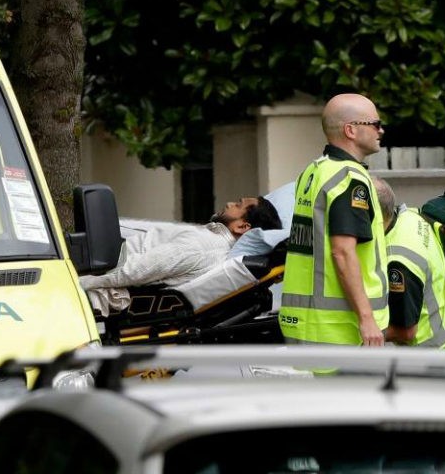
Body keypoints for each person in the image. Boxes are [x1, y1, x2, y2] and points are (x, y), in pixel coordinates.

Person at [279, 93, 389, 347]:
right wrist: (367, 319)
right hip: (340, 329)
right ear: (351, 130)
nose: (380, 131)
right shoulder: (349, 179)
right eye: (375, 124)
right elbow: (342, 253)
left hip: (307, 321)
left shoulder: (314, 171)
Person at [80, 197, 282, 316]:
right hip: (100, 260)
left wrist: (73, 281)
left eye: (238, 204)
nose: (229, 203)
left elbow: (134, 270)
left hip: (93, 271)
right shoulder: (209, 239)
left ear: (242, 226)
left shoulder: (204, 247)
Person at [373, 176, 445, 349]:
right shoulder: (409, 217)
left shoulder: (398, 261)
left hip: (437, 356)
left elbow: (406, 332)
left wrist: (365, 333)